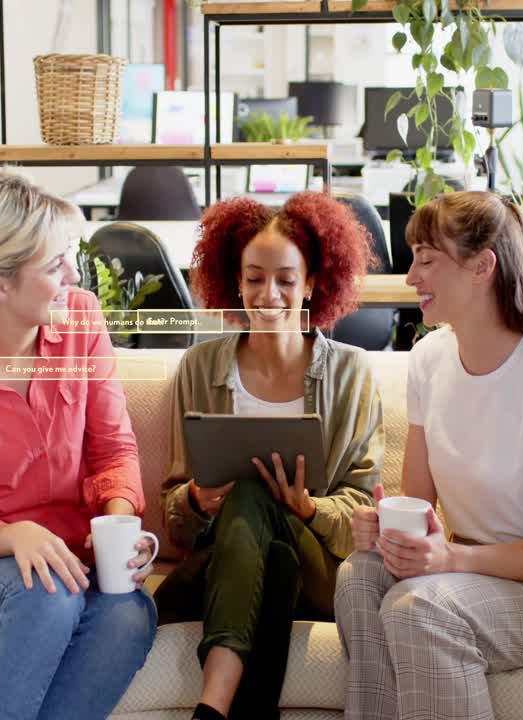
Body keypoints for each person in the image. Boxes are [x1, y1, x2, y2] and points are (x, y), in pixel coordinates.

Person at [334, 191, 523, 720]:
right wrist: (387, 533)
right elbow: (419, 503)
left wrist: (451, 559)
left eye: (427, 259)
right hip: (470, 571)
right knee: (359, 575)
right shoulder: (429, 360)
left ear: (483, 267)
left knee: (419, 610)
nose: (411, 276)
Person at [0, 167, 156, 720]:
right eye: (54, 264)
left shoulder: (82, 320)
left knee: (130, 613)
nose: (73, 273)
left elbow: (113, 449)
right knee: (47, 592)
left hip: (76, 565)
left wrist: (121, 528)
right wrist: (18, 535)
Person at [155, 193, 384, 720]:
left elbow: (361, 516)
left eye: (286, 278)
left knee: (258, 493)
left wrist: (307, 508)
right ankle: (221, 709)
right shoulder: (199, 366)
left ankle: (210, 703)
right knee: (269, 557)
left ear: (311, 283)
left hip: (320, 568)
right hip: (244, 564)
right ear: (235, 280)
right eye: (254, 277)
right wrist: (196, 500)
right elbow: (176, 510)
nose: (269, 294)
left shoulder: (351, 373)